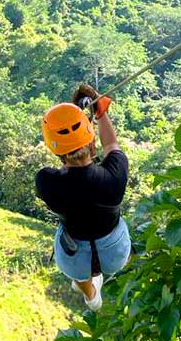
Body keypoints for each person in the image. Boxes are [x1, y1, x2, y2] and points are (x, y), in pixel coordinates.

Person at [36, 84, 131, 310]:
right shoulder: (114, 175)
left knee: (64, 231)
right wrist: (99, 110)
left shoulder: (46, 182)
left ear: (54, 148)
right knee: (116, 220)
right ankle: (100, 278)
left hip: (74, 257)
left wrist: (73, 117)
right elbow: (111, 144)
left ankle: (90, 294)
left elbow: (69, 172)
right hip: (115, 253)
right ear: (90, 140)